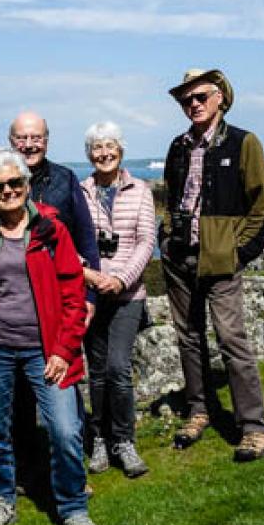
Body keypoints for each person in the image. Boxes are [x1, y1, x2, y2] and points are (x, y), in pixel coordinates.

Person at [0, 147, 98, 525]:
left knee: (66, 430)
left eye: (15, 183)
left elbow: (72, 294)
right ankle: (0, 502)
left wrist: (64, 351)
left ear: (27, 185)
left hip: (45, 349)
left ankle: (72, 506)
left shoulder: (52, 230)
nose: (8, 191)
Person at [160, 68, 264, 462]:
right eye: (186, 100)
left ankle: (253, 427)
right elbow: (173, 200)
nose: (193, 104)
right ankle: (198, 411)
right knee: (188, 337)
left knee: (231, 340)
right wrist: (166, 239)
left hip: (221, 260)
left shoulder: (244, 143)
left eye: (201, 96)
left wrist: (239, 253)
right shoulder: (178, 146)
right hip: (179, 258)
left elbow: (263, 206)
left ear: (221, 98)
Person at [79, 121, 156, 478]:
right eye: (97, 147)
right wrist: (92, 277)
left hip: (129, 295)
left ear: (120, 151)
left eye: (110, 146)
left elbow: (146, 241)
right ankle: (98, 440)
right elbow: (73, 243)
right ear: (89, 154)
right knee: (96, 373)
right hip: (92, 294)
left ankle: (124, 441)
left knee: (117, 367)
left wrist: (121, 279)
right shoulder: (81, 192)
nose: (104, 153)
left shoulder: (141, 190)